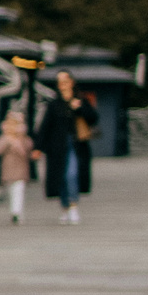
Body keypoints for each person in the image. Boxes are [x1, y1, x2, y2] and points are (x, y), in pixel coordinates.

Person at [37, 70, 96, 225]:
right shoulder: (54, 104)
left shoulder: (80, 100)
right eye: (59, 82)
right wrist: (38, 147)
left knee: (72, 174)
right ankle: (65, 207)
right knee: (61, 177)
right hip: (57, 147)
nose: (62, 85)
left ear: (71, 82)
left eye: (65, 81)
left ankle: (73, 205)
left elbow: (93, 119)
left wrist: (79, 108)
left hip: (76, 145)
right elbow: (45, 126)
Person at [0, 111, 34, 223]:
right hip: (8, 170)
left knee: (18, 190)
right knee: (12, 191)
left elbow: (28, 149)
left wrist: (20, 137)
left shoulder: (23, 139)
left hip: (21, 170)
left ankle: (17, 212)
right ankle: (14, 210)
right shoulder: (4, 139)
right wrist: (8, 140)